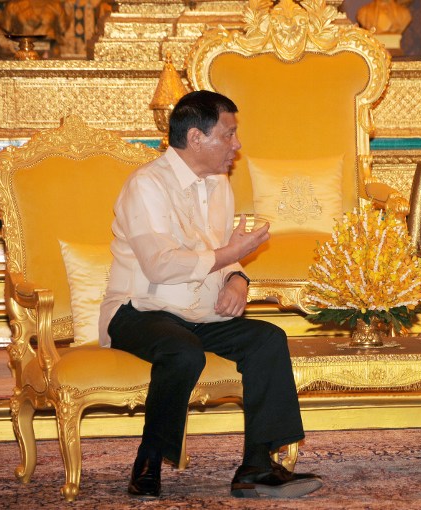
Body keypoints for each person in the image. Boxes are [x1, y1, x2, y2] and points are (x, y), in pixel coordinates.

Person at [99, 90, 323, 500]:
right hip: (139, 310)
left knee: (267, 340)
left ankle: (256, 466)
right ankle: (149, 460)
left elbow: (223, 252)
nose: (237, 146)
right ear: (196, 138)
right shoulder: (146, 185)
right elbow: (159, 265)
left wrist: (239, 279)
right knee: (183, 350)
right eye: (229, 135)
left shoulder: (219, 184)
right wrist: (230, 256)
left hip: (200, 313)